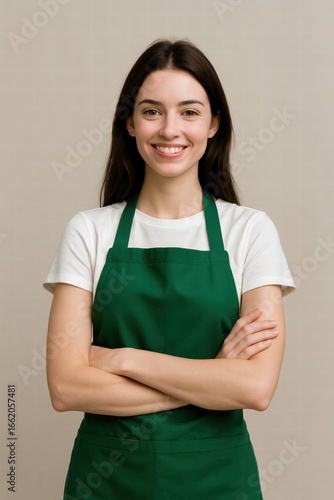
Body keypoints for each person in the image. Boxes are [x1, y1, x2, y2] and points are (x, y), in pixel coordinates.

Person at [44, 39, 295, 499]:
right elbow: (65, 387)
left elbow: (256, 387)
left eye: (190, 112)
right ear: (130, 122)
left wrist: (123, 359)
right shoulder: (89, 231)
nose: (170, 130)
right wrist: (213, 375)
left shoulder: (251, 232)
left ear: (214, 123)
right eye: (152, 111)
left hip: (219, 481)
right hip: (105, 482)